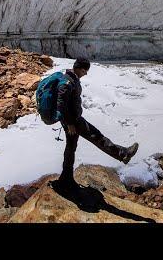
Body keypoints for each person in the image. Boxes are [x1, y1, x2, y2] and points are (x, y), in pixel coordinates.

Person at [56, 57, 139, 191]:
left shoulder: (71, 79)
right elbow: (61, 104)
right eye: (84, 70)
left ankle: (66, 177)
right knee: (97, 137)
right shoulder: (67, 82)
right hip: (73, 122)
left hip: (72, 120)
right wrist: (70, 123)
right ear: (77, 68)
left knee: (71, 147)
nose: (85, 73)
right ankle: (122, 154)